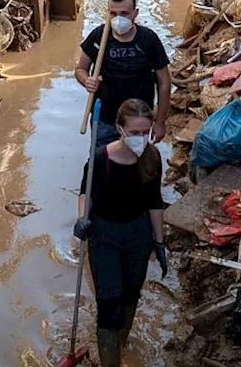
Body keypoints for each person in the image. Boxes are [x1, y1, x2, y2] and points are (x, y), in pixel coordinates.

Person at [74, 99, 168, 367]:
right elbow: (86, 193)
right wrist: (82, 219)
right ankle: (110, 361)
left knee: (130, 294)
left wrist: (159, 243)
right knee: (109, 303)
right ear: (120, 128)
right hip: (105, 234)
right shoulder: (101, 159)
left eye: (145, 132)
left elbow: (154, 201)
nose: (140, 138)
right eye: (134, 132)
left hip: (138, 234)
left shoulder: (152, 157)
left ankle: (120, 344)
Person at [76, 0, 171, 148]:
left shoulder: (148, 40)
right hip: (104, 118)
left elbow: (164, 82)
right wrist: (87, 81)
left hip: (137, 122)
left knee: (134, 163)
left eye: (124, 14)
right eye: (113, 14)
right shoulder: (98, 37)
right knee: (102, 163)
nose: (118, 19)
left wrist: (160, 122)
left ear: (135, 13)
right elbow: (80, 69)